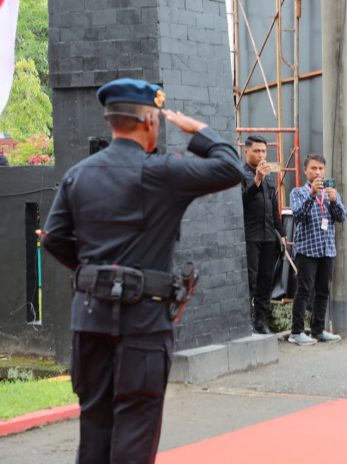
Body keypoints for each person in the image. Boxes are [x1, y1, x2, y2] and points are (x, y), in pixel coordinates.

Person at [40, 78, 245, 463]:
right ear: (150, 121)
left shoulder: (79, 174)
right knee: (136, 426)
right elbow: (230, 167)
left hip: (90, 319)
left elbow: (53, 239)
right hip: (143, 323)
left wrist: (97, 273)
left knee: (95, 425)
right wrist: (198, 130)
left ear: (110, 121)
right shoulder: (164, 173)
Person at [287, 153, 347, 346]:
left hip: (327, 249)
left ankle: (318, 330)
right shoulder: (298, 192)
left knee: (323, 291)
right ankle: (296, 331)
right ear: (305, 170)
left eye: (320, 168)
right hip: (307, 250)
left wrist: (333, 201)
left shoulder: (331, 192)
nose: (318, 172)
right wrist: (312, 195)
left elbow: (342, 217)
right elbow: (298, 216)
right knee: (304, 290)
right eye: (313, 168)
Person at [241, 135, 285, 334]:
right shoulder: (240, 174)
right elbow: (241, 202)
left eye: (263, 151)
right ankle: (245, 322)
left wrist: (281, 233)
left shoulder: (269, 175)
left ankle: (260, 321)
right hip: (250, 236)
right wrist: (256, 180)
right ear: (246, 151)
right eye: (256, 151)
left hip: (269, 236)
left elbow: (274, 207)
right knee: (251, 280)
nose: (260, 155)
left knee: (266, 281)